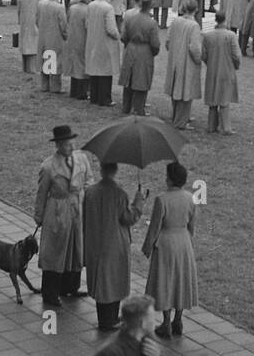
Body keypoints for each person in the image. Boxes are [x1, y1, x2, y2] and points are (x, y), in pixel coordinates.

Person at [35, 124, 95, 306]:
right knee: (55, 252)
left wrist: (86, 194)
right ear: (58, 145)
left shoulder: (82, 158)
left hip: (77, 209)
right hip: (58, 210)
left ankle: (70, 287)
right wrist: (39, 216)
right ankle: (50, 293)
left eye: (72, 143)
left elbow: (89, 179)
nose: (72, 147)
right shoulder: (48, 167)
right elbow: (41, 193)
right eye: (68, 144)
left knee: (76, 249)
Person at [84, 160, 148, 331]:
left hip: (94, 242)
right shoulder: (119, 194)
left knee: (101, 281)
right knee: (113, 281)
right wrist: (139, 202)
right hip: (114, 245)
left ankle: (106, 317)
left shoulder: (90, 191)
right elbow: (128, 218)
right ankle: (109, 320)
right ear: (115, 170)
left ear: (101, 170)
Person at [142, 161, 198, 338]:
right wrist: (187, 241)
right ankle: (178, 320)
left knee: (165, 281)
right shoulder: (190, 198)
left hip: (165, 243)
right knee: (181, 280)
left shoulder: (162, 199)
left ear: (170, 179)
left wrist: (147, 247)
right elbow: (192, 226)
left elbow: (155, 226)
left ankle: (166, 322)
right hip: (183, 242)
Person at [163, 2, 203, 129]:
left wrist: (173, 51)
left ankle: (177, 115)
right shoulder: (194, 25)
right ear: (196, 10)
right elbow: (195, 47)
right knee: (186, 91)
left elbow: (168, 40)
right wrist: (198, 60)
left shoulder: (176, 21)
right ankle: (181, 121)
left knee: (176, 88)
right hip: (187, 61)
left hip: (175, 59)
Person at [119, 0, 161, 115]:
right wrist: (153, 52)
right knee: (142, 80)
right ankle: (138, 108)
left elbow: (123, 36)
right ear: (150, 8)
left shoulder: (130, 19)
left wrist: (129, 44)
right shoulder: (151, 23)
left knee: (129, 78)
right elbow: (155, 43)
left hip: (131, 48)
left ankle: (126, 107)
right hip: (144, 51)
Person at [201, 11, 241, 133]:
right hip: (227, 69)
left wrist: (210, 63)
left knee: (213, 97)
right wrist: (236, 65)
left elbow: (204, 55)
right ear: (225, 20)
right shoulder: (231, 36)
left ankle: (211, 125)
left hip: (212, 70)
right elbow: (236, 55)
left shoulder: (208, 36)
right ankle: (226, 127)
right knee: (224, 99)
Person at [85, 0, 122, 107]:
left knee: (95, 69)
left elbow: (87, 23)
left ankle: (94, 96)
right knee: (105, 71)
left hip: (93, 40)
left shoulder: (91, 5)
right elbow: (111, 29)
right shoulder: (108, 8)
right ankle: (105, 98)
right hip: (105, 42)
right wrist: (118, 36)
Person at [63, 0, 94, 99]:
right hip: (83, 39)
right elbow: (88, 27)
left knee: (75, 65)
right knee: (83, 66)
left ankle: (74, 91)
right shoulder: (88, 10)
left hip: (72, 39)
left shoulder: (72, 8)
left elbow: (67, 20)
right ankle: (82, 93)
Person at [36, 0, 68, 92]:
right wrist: (65, 36)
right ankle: (55, 87)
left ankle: (44, 85)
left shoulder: (41, 4)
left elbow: (37, 19)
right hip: (55, 37)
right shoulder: (59, 7)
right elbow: (63, 24)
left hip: (43, 36)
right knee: (55, 61)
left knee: (45, 59)